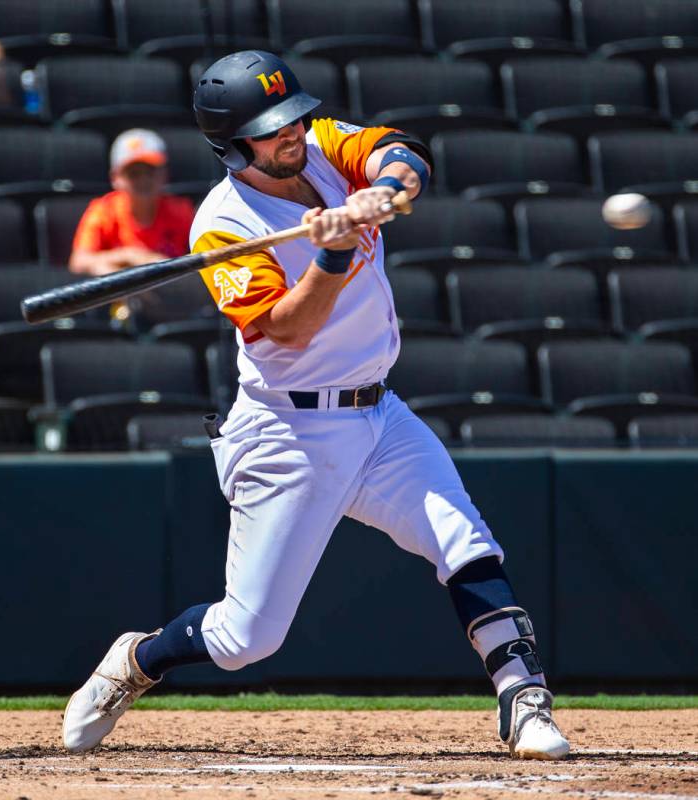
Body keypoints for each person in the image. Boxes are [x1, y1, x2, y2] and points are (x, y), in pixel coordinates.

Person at [62, 51, 570, 761]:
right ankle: (138, 659)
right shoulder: (223, 226)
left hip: (379, 414)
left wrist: (384, 193)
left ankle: (524, 698)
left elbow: (405, 152)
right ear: (232, 144)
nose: (291, 133)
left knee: (464, 539)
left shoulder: (323, 144)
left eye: (292, 118)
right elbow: (290, 331)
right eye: (270, 130)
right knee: (247, 639)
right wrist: (331, 257)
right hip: (287, 431)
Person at [69, 128, 194, 276]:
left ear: (164, 174)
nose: (144, 180)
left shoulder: (182, 212)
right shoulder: (103, 211)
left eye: (150, 172)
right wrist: (130, 256)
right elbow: (78, 262)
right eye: (134, 174)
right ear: (115, 178)